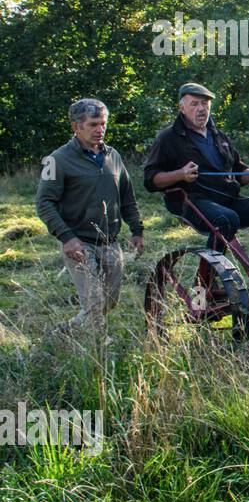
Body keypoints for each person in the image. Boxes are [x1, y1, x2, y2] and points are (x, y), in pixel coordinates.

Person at [142, 83, 249, 288]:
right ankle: (206, 281)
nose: (201, 109)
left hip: (228, 199)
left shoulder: (219, 136)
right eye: (194, 104)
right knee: (227, 219)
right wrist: (181, 174)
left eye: (205, 103)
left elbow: (237, 173)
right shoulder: (168, 138)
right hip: (192, 201)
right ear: (182, 108)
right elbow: (150, 179)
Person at [35, 98, 145, 335]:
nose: (100, 129)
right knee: (94, 304)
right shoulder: (56, 160)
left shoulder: (113, 156)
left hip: (110, 242)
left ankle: (63, 333)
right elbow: (44, 203)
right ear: (76, 126)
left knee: (109, 302)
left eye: (103, 124)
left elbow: (127, 197)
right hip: (79, 243)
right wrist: (66, 237)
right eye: (94, 124)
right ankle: (99, 353)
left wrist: (137, 229)